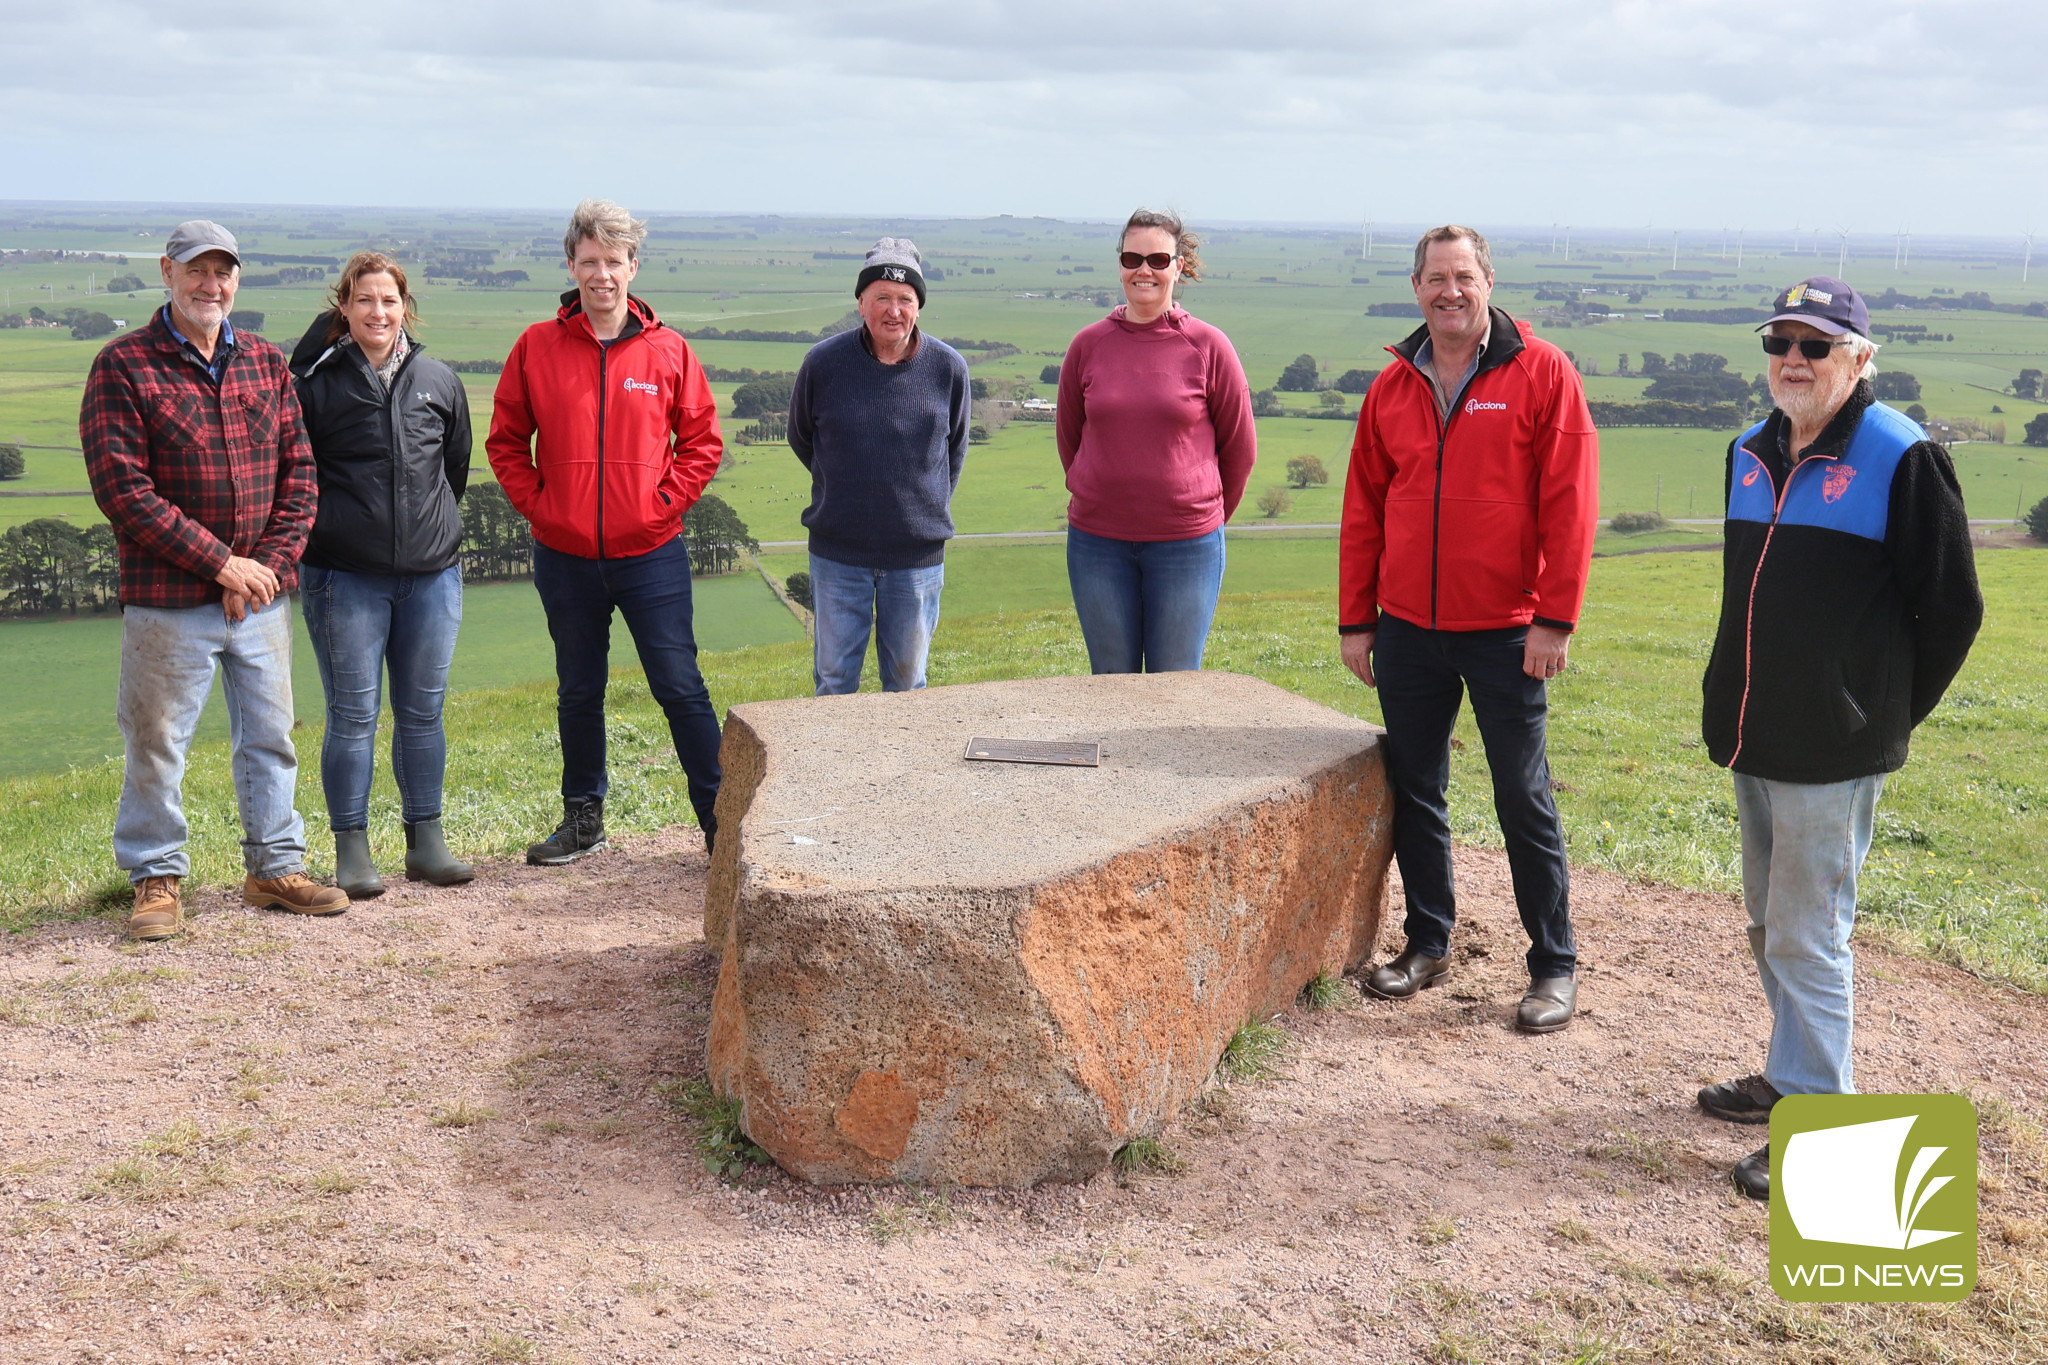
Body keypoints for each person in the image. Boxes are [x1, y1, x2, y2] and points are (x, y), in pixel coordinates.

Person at [1696, 277, 1982, 1199]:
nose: (1793, 358)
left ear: (1860, 359)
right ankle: (1789, 1073)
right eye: (1780, 340)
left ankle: (1819, 1121)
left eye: (1816, 345)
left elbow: (1953, 610)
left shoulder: (1904, 457)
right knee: (1766, 923)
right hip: (1755, 729)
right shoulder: (1748, 450)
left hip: (1833, 746)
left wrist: (1877, 712)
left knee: (1810, 936)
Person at [1338, 224, 1598, 1033]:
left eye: (1463, 275)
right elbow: (1363, 509)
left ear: (1488, 280)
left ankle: (1553, 965)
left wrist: (1555, 616)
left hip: (1507, 630)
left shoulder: (1542, 372)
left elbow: (1572, 502)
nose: (1449, 291)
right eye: (1434, 278)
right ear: (1416, 288)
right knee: (1417, 787)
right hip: (1408, 627)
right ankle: (1428, 941)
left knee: (1522, 794)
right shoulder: (1392, 385)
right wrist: (1358, 620)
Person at [81, 219, 347, 940]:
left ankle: (273, 867)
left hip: (258, 597)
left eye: (224, 271)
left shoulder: (264, 362)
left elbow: (301, 474)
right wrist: (219, 562)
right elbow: (123, 488)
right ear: (168, 272)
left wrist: (266, 568)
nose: (213, 285)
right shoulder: (123, 365)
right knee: (157, 739)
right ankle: (156, 877)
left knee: (270, 735)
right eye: (198, 270)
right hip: (168, 600)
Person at [486, 200, 724, 864]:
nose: (601, 274)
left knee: (680, 685)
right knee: (578, 689)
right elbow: (505, 442)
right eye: (588, 261)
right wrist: (543, 509)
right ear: (571, 265)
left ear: (632, 267)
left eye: (613, 262)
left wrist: (661, 507)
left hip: (651, 554)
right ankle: (583, 820)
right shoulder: (536, 346)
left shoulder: (669, 349)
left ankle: (719, 824)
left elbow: (702, 442)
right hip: (563, 557)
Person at [289, 252, 475, 898]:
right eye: (364, 300)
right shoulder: (315, 383)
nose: (378, 312)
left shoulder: (438, 380)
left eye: (389, 301)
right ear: (343, 307)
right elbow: (296, 471)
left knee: (423, 713)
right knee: (353, 715)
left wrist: (426, 537)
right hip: (346, 578)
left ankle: (427, 842)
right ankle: (352, 850)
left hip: (432, 578)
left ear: (406, 307)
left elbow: (454, 470)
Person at [1055, 209, 1256, 673]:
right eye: (1132, 258)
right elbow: (1070, 438)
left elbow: (1240, 450)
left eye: (1158, 259)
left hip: (1186, 546)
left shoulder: (1209, 346)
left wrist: (1199, 515)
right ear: (1120, 265)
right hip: (1097, 543)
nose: (1143, 270)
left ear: (1178, 267)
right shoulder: (1088, 345)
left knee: (1175, 688)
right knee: (1111, 682)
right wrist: (1099, 492)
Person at [787, 239, 971, 694]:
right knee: (833, 681)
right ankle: (832, 767)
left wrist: (916, 508)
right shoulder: (823, 363)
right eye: (882, 298)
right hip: (837, 554)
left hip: (915, 558)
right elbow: (801, 436)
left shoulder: (949, 369)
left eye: (905, 299)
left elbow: (954, 451)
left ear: (919, 306)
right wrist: (845, 489)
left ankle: (904, 767)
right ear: (861, 303)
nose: (894, 310)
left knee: (908, 684)